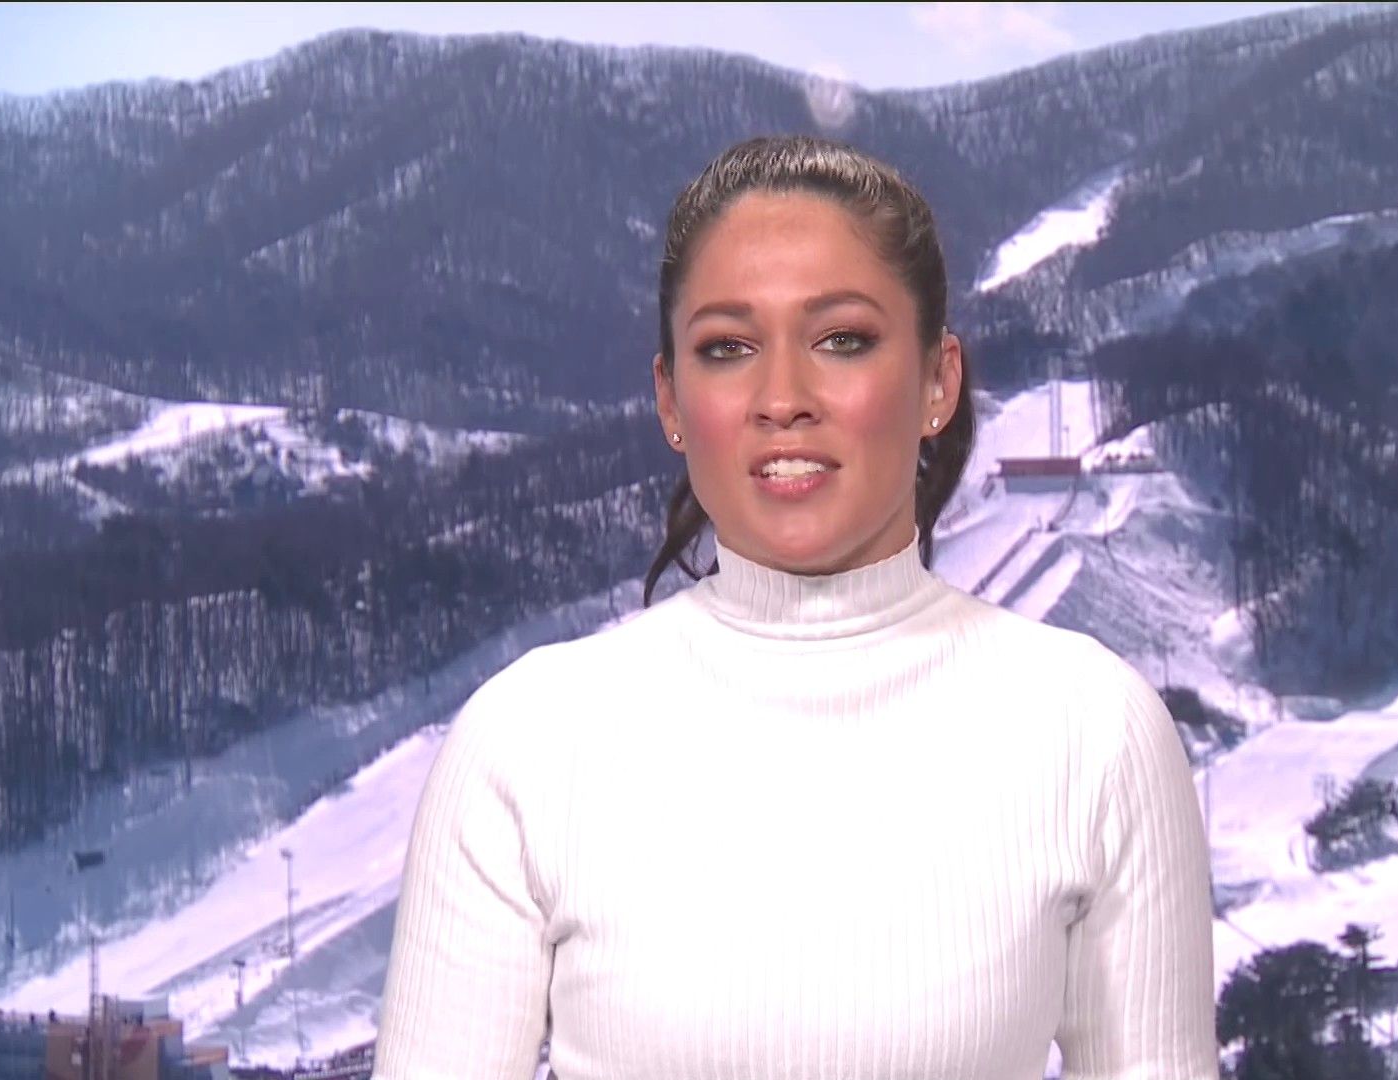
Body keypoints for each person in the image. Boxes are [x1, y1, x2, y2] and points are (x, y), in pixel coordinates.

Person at [374, 134, 1217, 1079]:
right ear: (671, 401)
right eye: (728, 349)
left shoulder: (1095, 733)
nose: (783, 398)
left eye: (842, 340)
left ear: (938, 381)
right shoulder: (527, 744)